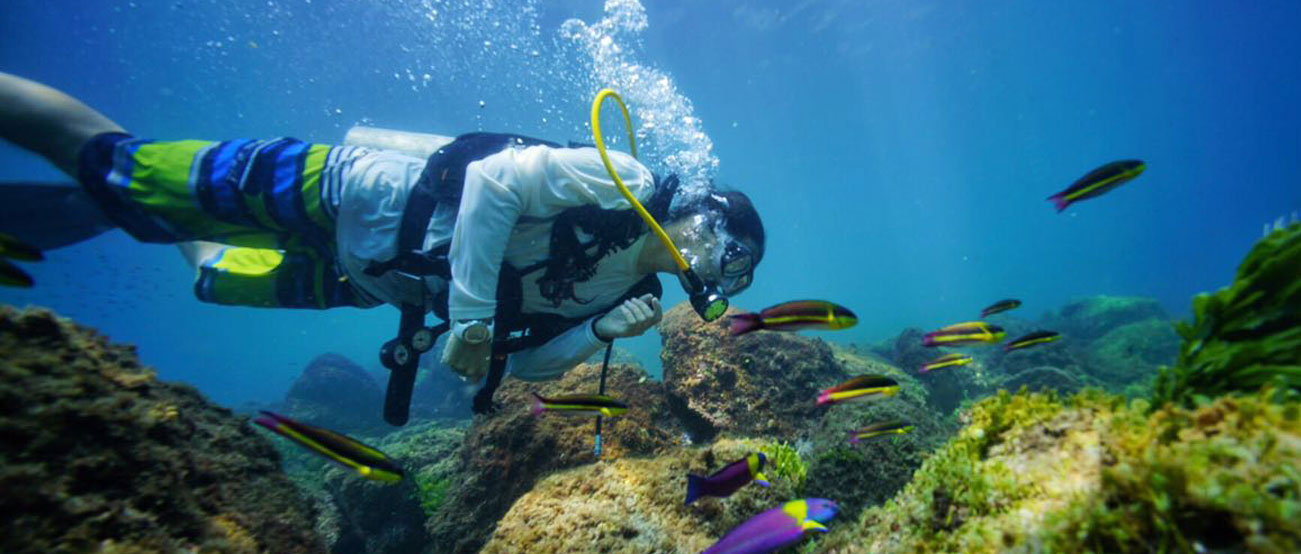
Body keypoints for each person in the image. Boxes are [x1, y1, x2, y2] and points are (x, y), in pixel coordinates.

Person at [0, 72, 765, 423]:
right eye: (730, 254)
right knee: (116, 166)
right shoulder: (623, 180)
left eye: (738, 274)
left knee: (215, 279)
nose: (722, 275)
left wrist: (601, 332)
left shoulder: (633, 300)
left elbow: (527, 362)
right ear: (702, 216)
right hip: (348, 191)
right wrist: (467, 320)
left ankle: (139, 215)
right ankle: (119, 191)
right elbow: (496, 182)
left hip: (374, 282)